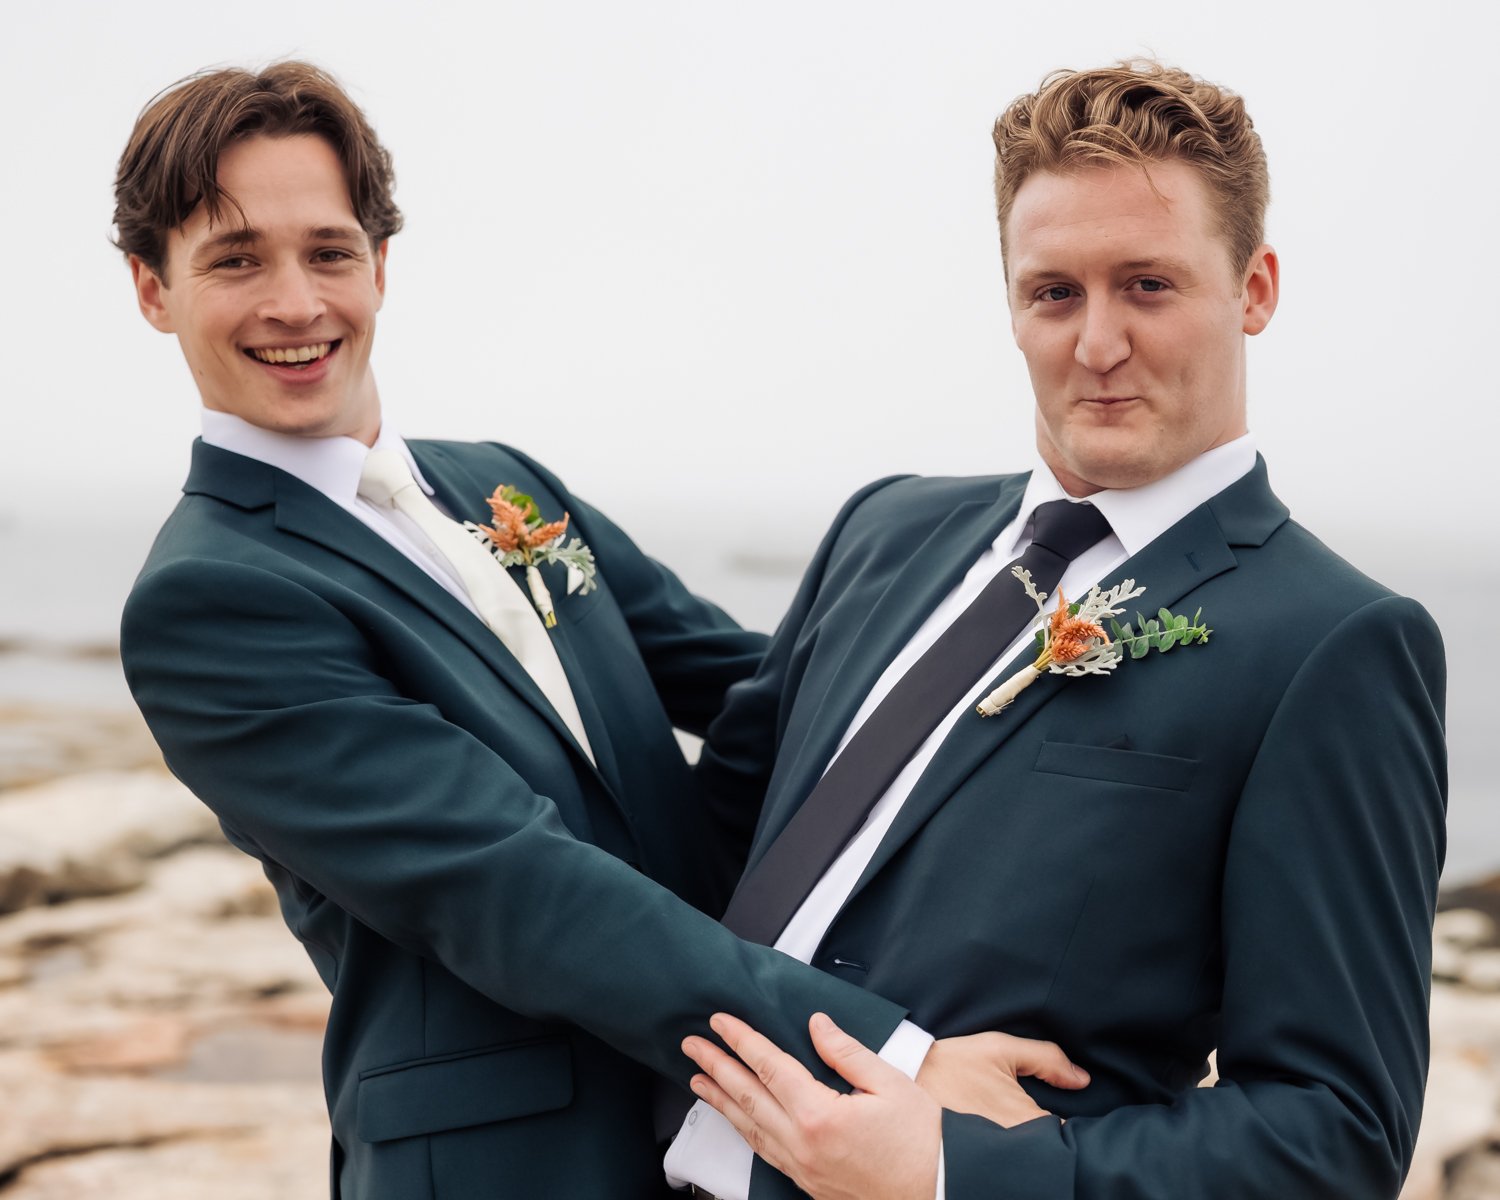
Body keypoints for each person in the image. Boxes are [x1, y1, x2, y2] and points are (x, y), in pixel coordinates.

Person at [113, 62, 1061, 1200]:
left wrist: (1050, 726)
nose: (296, 302)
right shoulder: (211, 597)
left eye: (327, 251)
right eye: (234, 259)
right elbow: (509, 885)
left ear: (380, 264)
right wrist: (890, 1056)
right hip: (510, 1161)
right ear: (150, 287)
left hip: (727, 1133)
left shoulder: (500, 484)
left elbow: (778, 699)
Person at [671, 60, 1447, 1200]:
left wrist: (952, 1174)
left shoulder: (1336, 645)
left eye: (1146, 285)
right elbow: (701, 850)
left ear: (1256, 288)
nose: (1096, 344)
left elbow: (1331, 1137)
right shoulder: (885, 530)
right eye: (1054, 293)